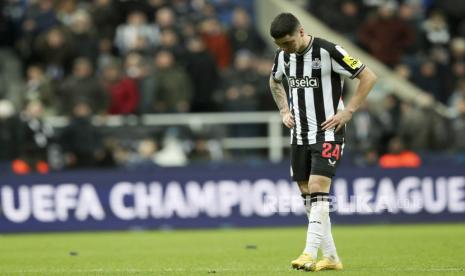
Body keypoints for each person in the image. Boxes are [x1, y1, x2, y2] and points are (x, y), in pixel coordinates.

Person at [268, 13, 377, 271]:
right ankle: (331, 257)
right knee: (308, 194)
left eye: (289, 43)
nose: (286, 49)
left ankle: (308, 252)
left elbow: (368, 76)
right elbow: (274, 81)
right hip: (300, 134)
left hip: (328, 132)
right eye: (280, 46)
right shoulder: (283, 56)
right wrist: (284, 110)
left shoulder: (329, 51)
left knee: (318, 187)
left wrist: (348, 111)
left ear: (302, 31)